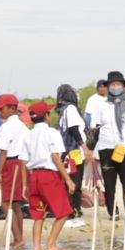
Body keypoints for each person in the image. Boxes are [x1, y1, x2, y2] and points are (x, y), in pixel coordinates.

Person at [23, 102, 75, 250]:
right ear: (46, 116)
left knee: (39, 215)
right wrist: (68, 179)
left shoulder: (29, 134)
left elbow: (23, 161)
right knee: (64, 211)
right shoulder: (52, 132)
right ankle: (51, 244)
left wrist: (26, 184)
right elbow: (56, 157)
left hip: (34, 176)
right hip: (49, 176)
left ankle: (37, 248)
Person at [94, 70, 125, 220]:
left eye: (118, 84)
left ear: (123, 86)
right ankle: (113, 211)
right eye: (112, 84)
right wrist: (92, 151)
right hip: (106, 147)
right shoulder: (101, 104)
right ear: (108, 86)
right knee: (109, 182)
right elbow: (95, 128)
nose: (115, 86)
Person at [0, 93, 29, 244]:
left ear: (12, 109)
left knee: (6, 203)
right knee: (15, 203)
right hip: (22, 164)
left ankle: (18, 239)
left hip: (11, 163)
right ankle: (19, 237)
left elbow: (3, 151)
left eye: (2, 109)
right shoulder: (23, 126)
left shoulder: (6, 126)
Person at [55, 84, 88, 222]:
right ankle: (73, 210)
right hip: (74, 152)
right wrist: (85, 147)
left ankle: (71, 209)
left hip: (67, 152)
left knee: (70, 180)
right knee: (75, 181)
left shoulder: (63, 110)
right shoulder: (71, 109)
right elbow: (74, 129)